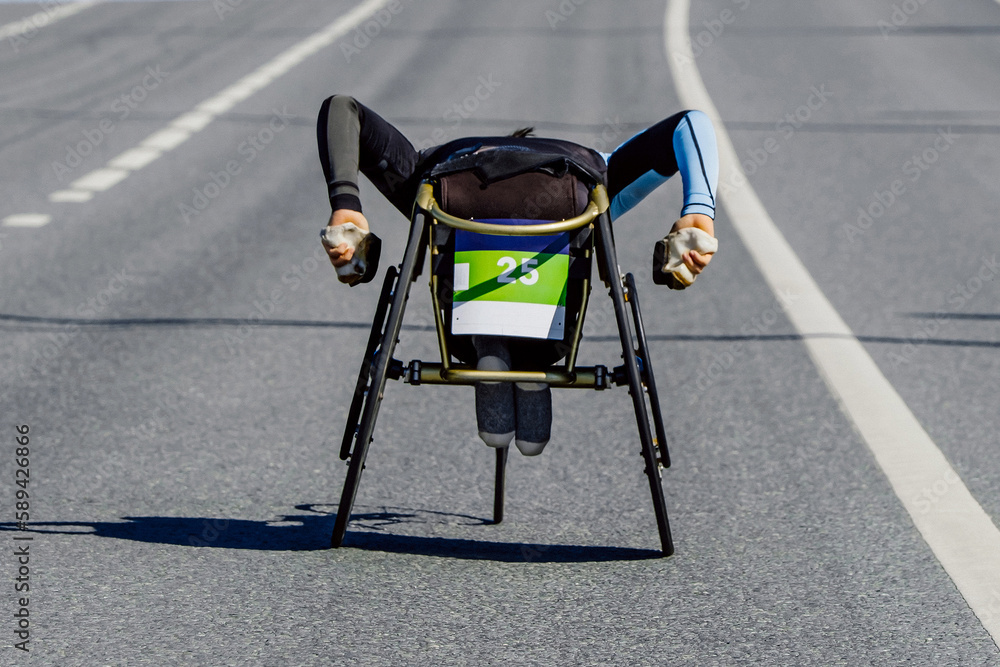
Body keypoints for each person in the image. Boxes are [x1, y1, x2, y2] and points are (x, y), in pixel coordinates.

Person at [317, 95, 719, 456]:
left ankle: (484, 348)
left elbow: (341, 107)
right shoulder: (594, 163)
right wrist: (699, 211)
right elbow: (691, 122)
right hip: (568, 191)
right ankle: (536, 358)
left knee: (441, 225)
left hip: (456, 191)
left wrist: (346, 204)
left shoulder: (437, 162)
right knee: (581, 227)